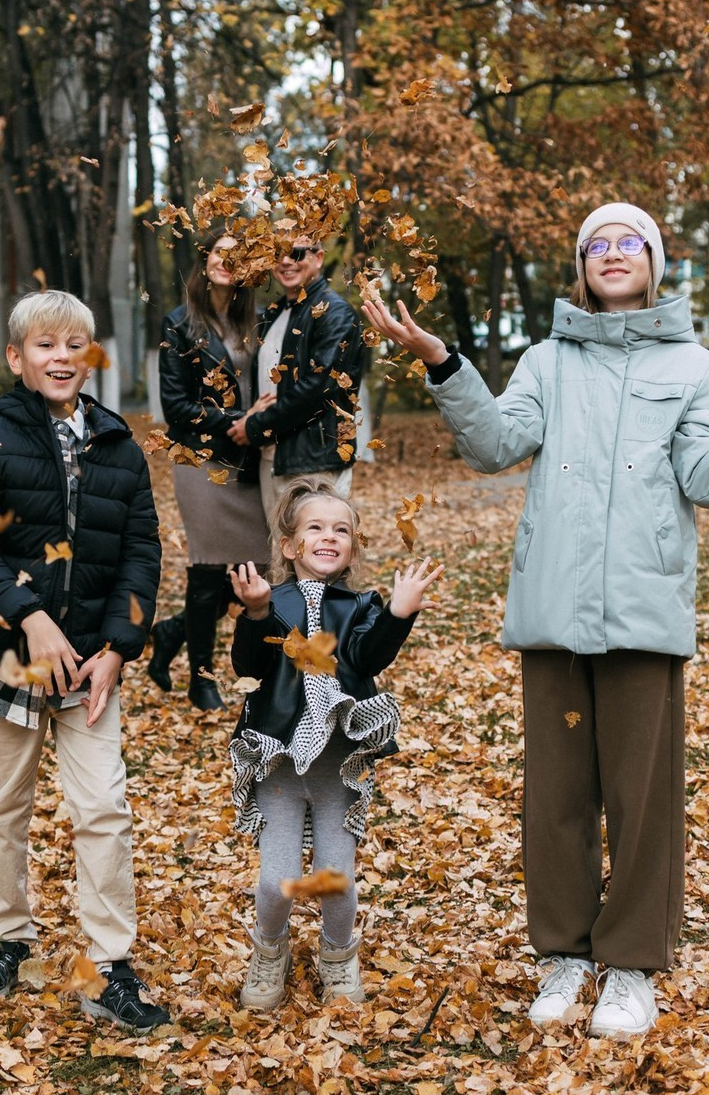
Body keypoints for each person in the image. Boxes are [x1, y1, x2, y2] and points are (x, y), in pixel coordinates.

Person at [363, 202, 709, 1039]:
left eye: (629, 241)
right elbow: (493, 444)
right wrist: (444, 364)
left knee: (641, 798)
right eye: (597, 243)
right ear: (581, 267)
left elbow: (708, 477)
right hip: (553, 608)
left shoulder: (695, 366)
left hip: (643, 607)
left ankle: (631, 966)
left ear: (656, 262)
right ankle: (564, 956)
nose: (612, 252)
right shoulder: (546, 362)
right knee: (556, 798)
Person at [0, 289, 169, 1034]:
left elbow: (141, 553)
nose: (61, 357)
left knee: (102, 804)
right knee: (3, 803)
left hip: (92, 664)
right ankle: (7, 939)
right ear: (17, 357)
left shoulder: (120, 446)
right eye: (45, 345)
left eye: (75, 345)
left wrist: (119, 651)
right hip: (11, 656)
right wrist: (30, 617)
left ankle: (110, 965)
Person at [225, 478, 443, 1010]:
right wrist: (254, 614)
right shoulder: (269, 602)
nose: (329, 536)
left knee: (338, 881)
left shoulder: (361, 604)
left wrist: (398, 612)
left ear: (353, 546)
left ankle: (338, 955)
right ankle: (269, 951)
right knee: (278, 882)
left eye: (341, 529)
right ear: (288, 545)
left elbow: (368, 659)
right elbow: (247, 668)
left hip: (336, 771)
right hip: (279, 767)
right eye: (315, 528)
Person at [147, 235, 270, 710]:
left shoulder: (259, 321)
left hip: (248, 460)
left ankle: (173, 631)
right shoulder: (178, 324)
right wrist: (237, 422)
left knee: (250, 568)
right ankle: (202, 678)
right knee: (207, 569)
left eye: (239, 256)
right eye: (221, 252)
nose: (227, 262)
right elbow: (175, 407)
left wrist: (259, 424)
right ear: (206, 259)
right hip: (200, 460)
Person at [228, 236, 365, 522]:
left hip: (314, 461)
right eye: (277, 252)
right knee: (283, 554)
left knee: (320, 554)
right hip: (274, 459)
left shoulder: (334, 313)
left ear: (318, 258)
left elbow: (317, 391)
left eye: (296, 253)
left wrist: (254, 427)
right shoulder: (275, 313)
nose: (286, 261)